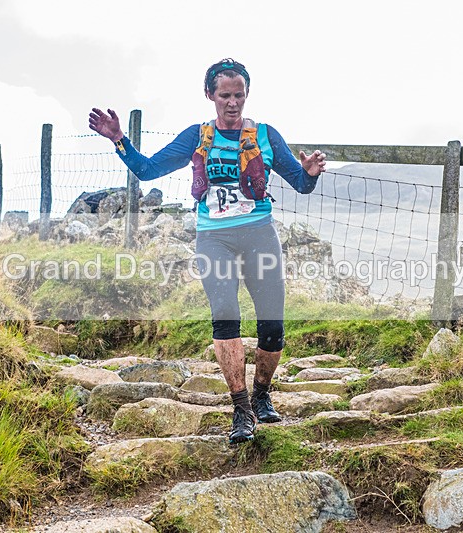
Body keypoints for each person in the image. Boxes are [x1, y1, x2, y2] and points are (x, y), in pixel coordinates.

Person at [89, 58, 326, 444]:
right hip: (214, 238)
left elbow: (299, 183)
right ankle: (241, 408)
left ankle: (262, 393)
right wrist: (119, 139)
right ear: (210, 96)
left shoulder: (266, 135)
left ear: (247, 95)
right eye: (225, 96)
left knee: (272, 327)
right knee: (225, 318)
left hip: (259, 234)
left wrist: (310, 172)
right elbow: (147, 170)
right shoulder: (197, 136)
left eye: (239, 95)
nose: (233, 103)